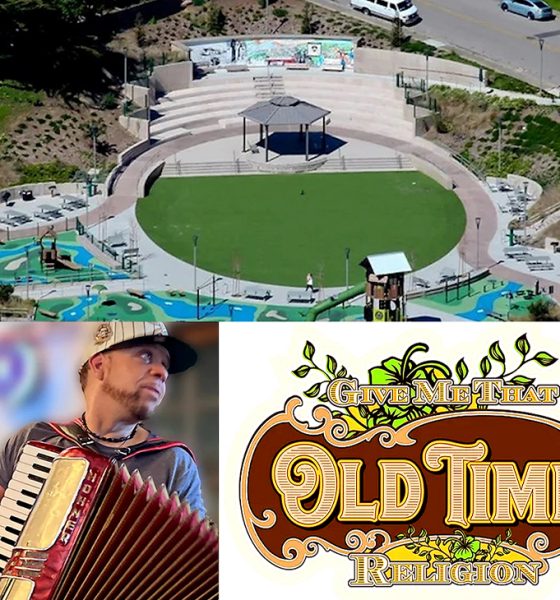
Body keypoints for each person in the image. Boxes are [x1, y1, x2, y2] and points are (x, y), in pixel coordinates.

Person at [0, 321, 206, 517]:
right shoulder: (34, 439)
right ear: (99, 365)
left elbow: (194, 551)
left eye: (165, 365)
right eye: (145, 356)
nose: (161, 372)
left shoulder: (173, 463)